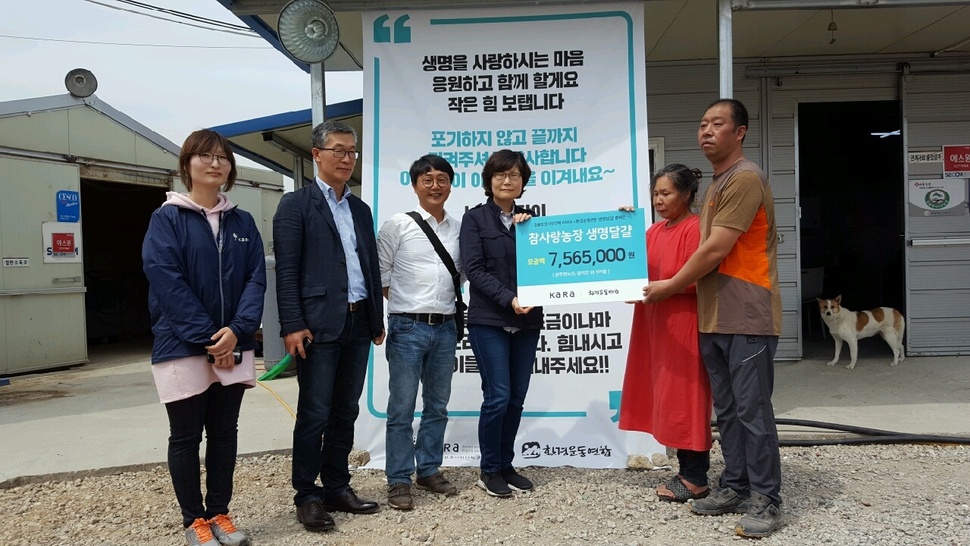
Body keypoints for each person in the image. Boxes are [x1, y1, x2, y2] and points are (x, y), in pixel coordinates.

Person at [643, 98, 783, 538]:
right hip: (715, 317)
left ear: (739, 132)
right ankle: (736, 484)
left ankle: (766, 498)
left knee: (753, 411)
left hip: (746, 314)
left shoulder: (744, 178)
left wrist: (667, 288)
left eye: (717, 124)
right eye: (702, 124)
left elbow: (716, 248)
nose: (706, 131)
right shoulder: (720, 184)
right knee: (728, 411)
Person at [142, 129, 265, 546]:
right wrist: (211, 339)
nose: (215, 163)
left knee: (225, 432)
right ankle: (194, 520)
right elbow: (166, 280)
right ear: (187, 164)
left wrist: (238, 331)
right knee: (185, 435)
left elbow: (255, 279)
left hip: (235, 342)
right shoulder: (168, 218)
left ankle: (220, 512)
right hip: (183, 346)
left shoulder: (242, 221)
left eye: (222, 157)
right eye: (205, 156)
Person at [273, 120, 386, 533]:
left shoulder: (360, 209)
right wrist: (293, 324)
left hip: (358, 323)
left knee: (346, 411)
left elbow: (368, 267)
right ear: (317, 154)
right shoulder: (295, 205)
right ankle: (307, 495)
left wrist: (376, 317)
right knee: (314, 413)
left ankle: (338, 485)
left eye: (352, 151)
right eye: (338, 150)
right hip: (317, 327)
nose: (346, 158)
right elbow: (286, 273)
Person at [618, 164, 713, 503]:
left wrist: (666, 288)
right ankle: (686, 472)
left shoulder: (695, 228)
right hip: (655, 324)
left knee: (687, 398)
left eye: (666, 193)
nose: (659, 200)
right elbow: (632, 270)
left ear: (687, 194)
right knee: (668, 398)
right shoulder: (653, 232)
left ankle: (695, 477)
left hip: (683, 323)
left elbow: (699, 276)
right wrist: (622, 229)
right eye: (655, 194)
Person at [377, 154, 463, 511]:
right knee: (401, 408)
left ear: (450, 185)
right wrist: (408, 307)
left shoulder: (459, 228)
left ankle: (428, 469)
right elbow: (381, 277)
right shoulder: (397, 225)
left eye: (442, 179)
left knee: (438, 406)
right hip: (407, 327)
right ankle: (398, 479)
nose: (435, 186)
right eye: (426, 179)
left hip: (446, 327)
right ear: (414, 186)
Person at [459, 149, 543, 498]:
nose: (508, 181)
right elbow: (474, 270)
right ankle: (490, 468)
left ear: (523, 182)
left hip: (527, 323)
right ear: (489, 180)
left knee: (516, 399)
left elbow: (557, 263)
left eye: (515, 176)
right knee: (498, 397)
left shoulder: (534, 221)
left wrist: (621, 222)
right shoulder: (475, 219)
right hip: (490, 320)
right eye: (500, 175)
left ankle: (506, 464)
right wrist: (509, 298)